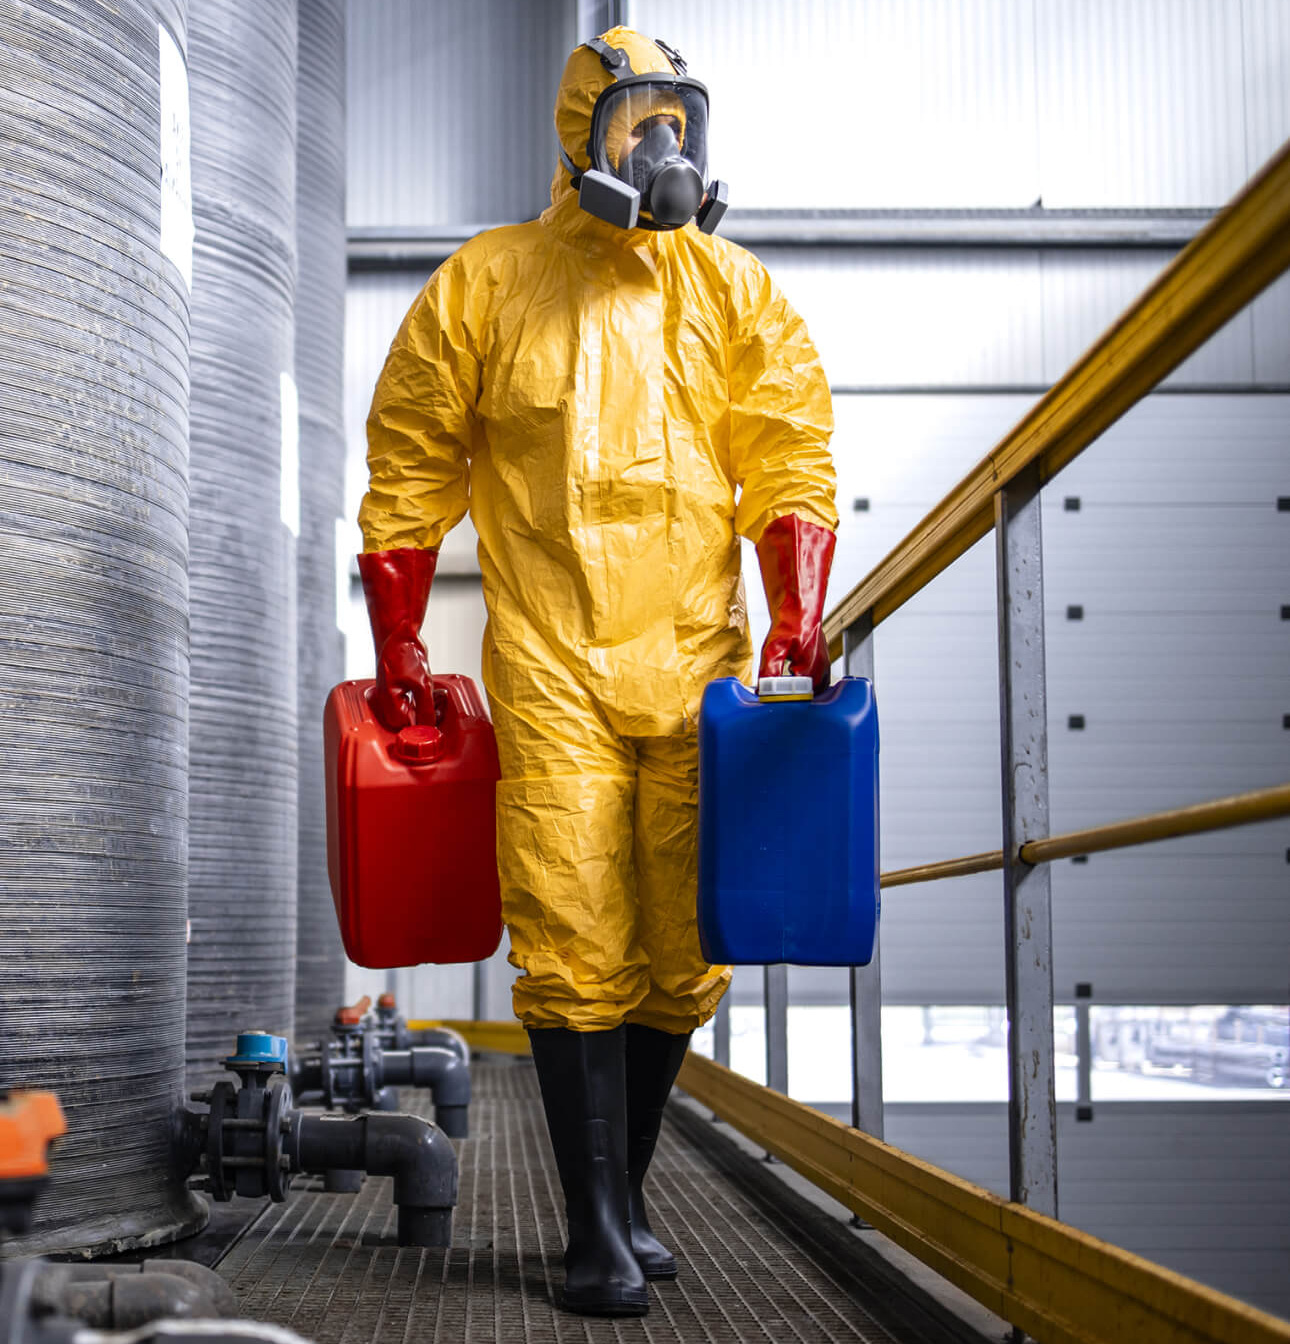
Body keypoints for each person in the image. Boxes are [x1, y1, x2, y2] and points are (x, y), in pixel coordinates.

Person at [358, 27, 837, 1318]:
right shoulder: (487, 282)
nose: (662, 146)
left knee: (681, 944)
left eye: (678, 118)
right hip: (557, 660)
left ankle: (622, 1203)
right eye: (637, 119)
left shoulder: (731, 288)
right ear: (584, 131)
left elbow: (788, 450)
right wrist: (398, 638)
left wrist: (799, 606)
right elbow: (410, 464)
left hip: (696, 663)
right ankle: (593, 1230)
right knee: (572, 929)